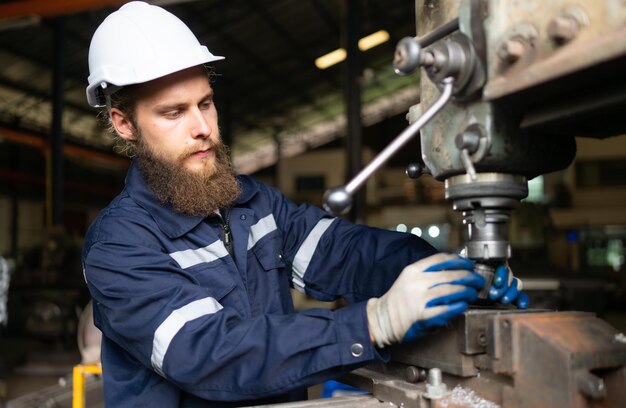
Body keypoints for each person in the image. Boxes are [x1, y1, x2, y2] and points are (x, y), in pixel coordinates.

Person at [82, 2, 528, 407]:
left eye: (206, 103)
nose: (202, 127)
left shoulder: (252, 204)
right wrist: (373, 323)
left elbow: (345, 252)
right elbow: (207, 353)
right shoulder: (118, 246)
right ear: (124, 124)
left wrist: (443, 273)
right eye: (174, 112)